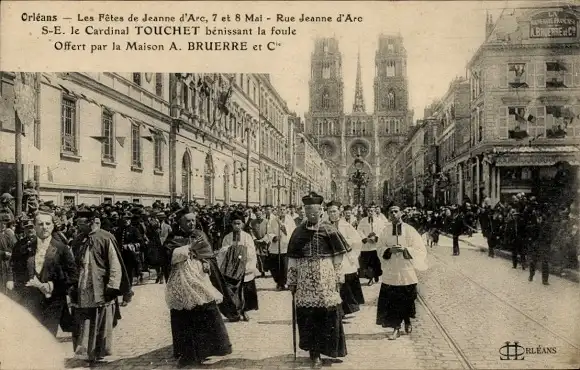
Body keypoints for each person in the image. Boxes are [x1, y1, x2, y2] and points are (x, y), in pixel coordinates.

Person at [287, 192, 350, 368]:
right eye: (308, 212)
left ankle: (329, 349)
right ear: (304, 212)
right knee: (309, 317)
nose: (312, 216)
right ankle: (314, 353)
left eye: (315, 212)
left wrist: (339, 277)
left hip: (326, 279)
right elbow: (292, 258)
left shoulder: (329, 229)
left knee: (329, 315)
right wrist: (292, 280)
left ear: (321, 211)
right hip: (305, 280)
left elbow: (338, 258)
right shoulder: (298, 231)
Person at [164, 207, 232, 367]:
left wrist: (206, 263)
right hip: (182, 280)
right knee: (185, 313)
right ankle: (186, 352)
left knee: (206, 308)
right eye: (187, 221)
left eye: (193, 220)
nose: (191, 223)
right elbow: (167, 256)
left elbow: (208, 254)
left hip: (200, 278)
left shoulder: (200, 235)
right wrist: (187, 249)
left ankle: (209, 348)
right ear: (180, 223)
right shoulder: (174, 238)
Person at [69, 209, 130, 363]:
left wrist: (112, 286)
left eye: (80, 224)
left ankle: (100, 351)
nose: (78, 227)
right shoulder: (78, 240)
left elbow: (115, 264)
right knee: (84, 317)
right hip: (83, 284)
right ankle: (84, 351)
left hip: (100, 285)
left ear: (91, 223)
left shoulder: (105, 237)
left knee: (101, 318)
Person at [6, 210, 78, 336]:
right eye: (40, 224)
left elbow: (73, 275)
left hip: (53, 302)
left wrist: (52, 286)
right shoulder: (25, 247)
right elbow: (15, 268)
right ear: (34, 226)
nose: (44, 227)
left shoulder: (62, 248)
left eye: (47, 224)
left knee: (48, 338)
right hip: (30, 301)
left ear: (52, 226)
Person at [376, 205, 428, 340]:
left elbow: (420, 249)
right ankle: (396, 328)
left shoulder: (410, 230)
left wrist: (406, 250)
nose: (393, 214)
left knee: (408, 298)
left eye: (396, 211)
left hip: (406, 270)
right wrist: (389, 250)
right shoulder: (385, 231)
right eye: (391, 212)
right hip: (391, 270)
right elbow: (379, 247)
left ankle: (407, 320)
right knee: (393, 300)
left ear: (401, 214)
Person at [217, 210, 259, 321]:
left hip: (244, 267)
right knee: (232, 291)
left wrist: (241, 251)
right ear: (231, 224)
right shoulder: (227, 237)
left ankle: (244, 311)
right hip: (231, 269)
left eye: (239, 223)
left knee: (245, 291)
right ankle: (234, 313)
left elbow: (251, 251)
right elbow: (223, 251)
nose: (236, 226)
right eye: (234, 223)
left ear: (243, 224)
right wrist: (230, 250)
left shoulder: (247, 237)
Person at [326, 201, 365, 317]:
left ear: (339, 211)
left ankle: (343, 310)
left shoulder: (346, 225)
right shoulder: (325, 225)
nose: (332, 214)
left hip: (344, 258)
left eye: (334, 211)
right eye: (330, 212)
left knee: (345, 284)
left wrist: (344, 243)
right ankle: (336, 310)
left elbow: (357, 241)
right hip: (330, 258)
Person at [267, 204, 296, 291]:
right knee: (275, 266)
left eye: (283, 210)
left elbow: (293, 231)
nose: (282, 212)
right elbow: (269, 231)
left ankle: (282, 283)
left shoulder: (290, 220)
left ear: (286, 210)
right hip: (275, 247)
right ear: (277, 211)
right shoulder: (272, 220)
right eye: (280, 210)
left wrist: (285, 229)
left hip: (285, 246)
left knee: (284, 266)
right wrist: (274, 237)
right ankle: (278, 281)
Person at [356, 206, 385, 286]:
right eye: (369, 211)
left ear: (375, 212)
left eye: (372, 211)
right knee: (367, 263)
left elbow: (383, 230)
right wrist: (365, 238)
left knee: (375, 263)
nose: (370, 212)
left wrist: (376, 237)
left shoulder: (380, 221)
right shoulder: (363, 221)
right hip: (366, 246)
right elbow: (359, 230)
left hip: (375, 245)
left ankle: (375, 275)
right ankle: (370, 278)